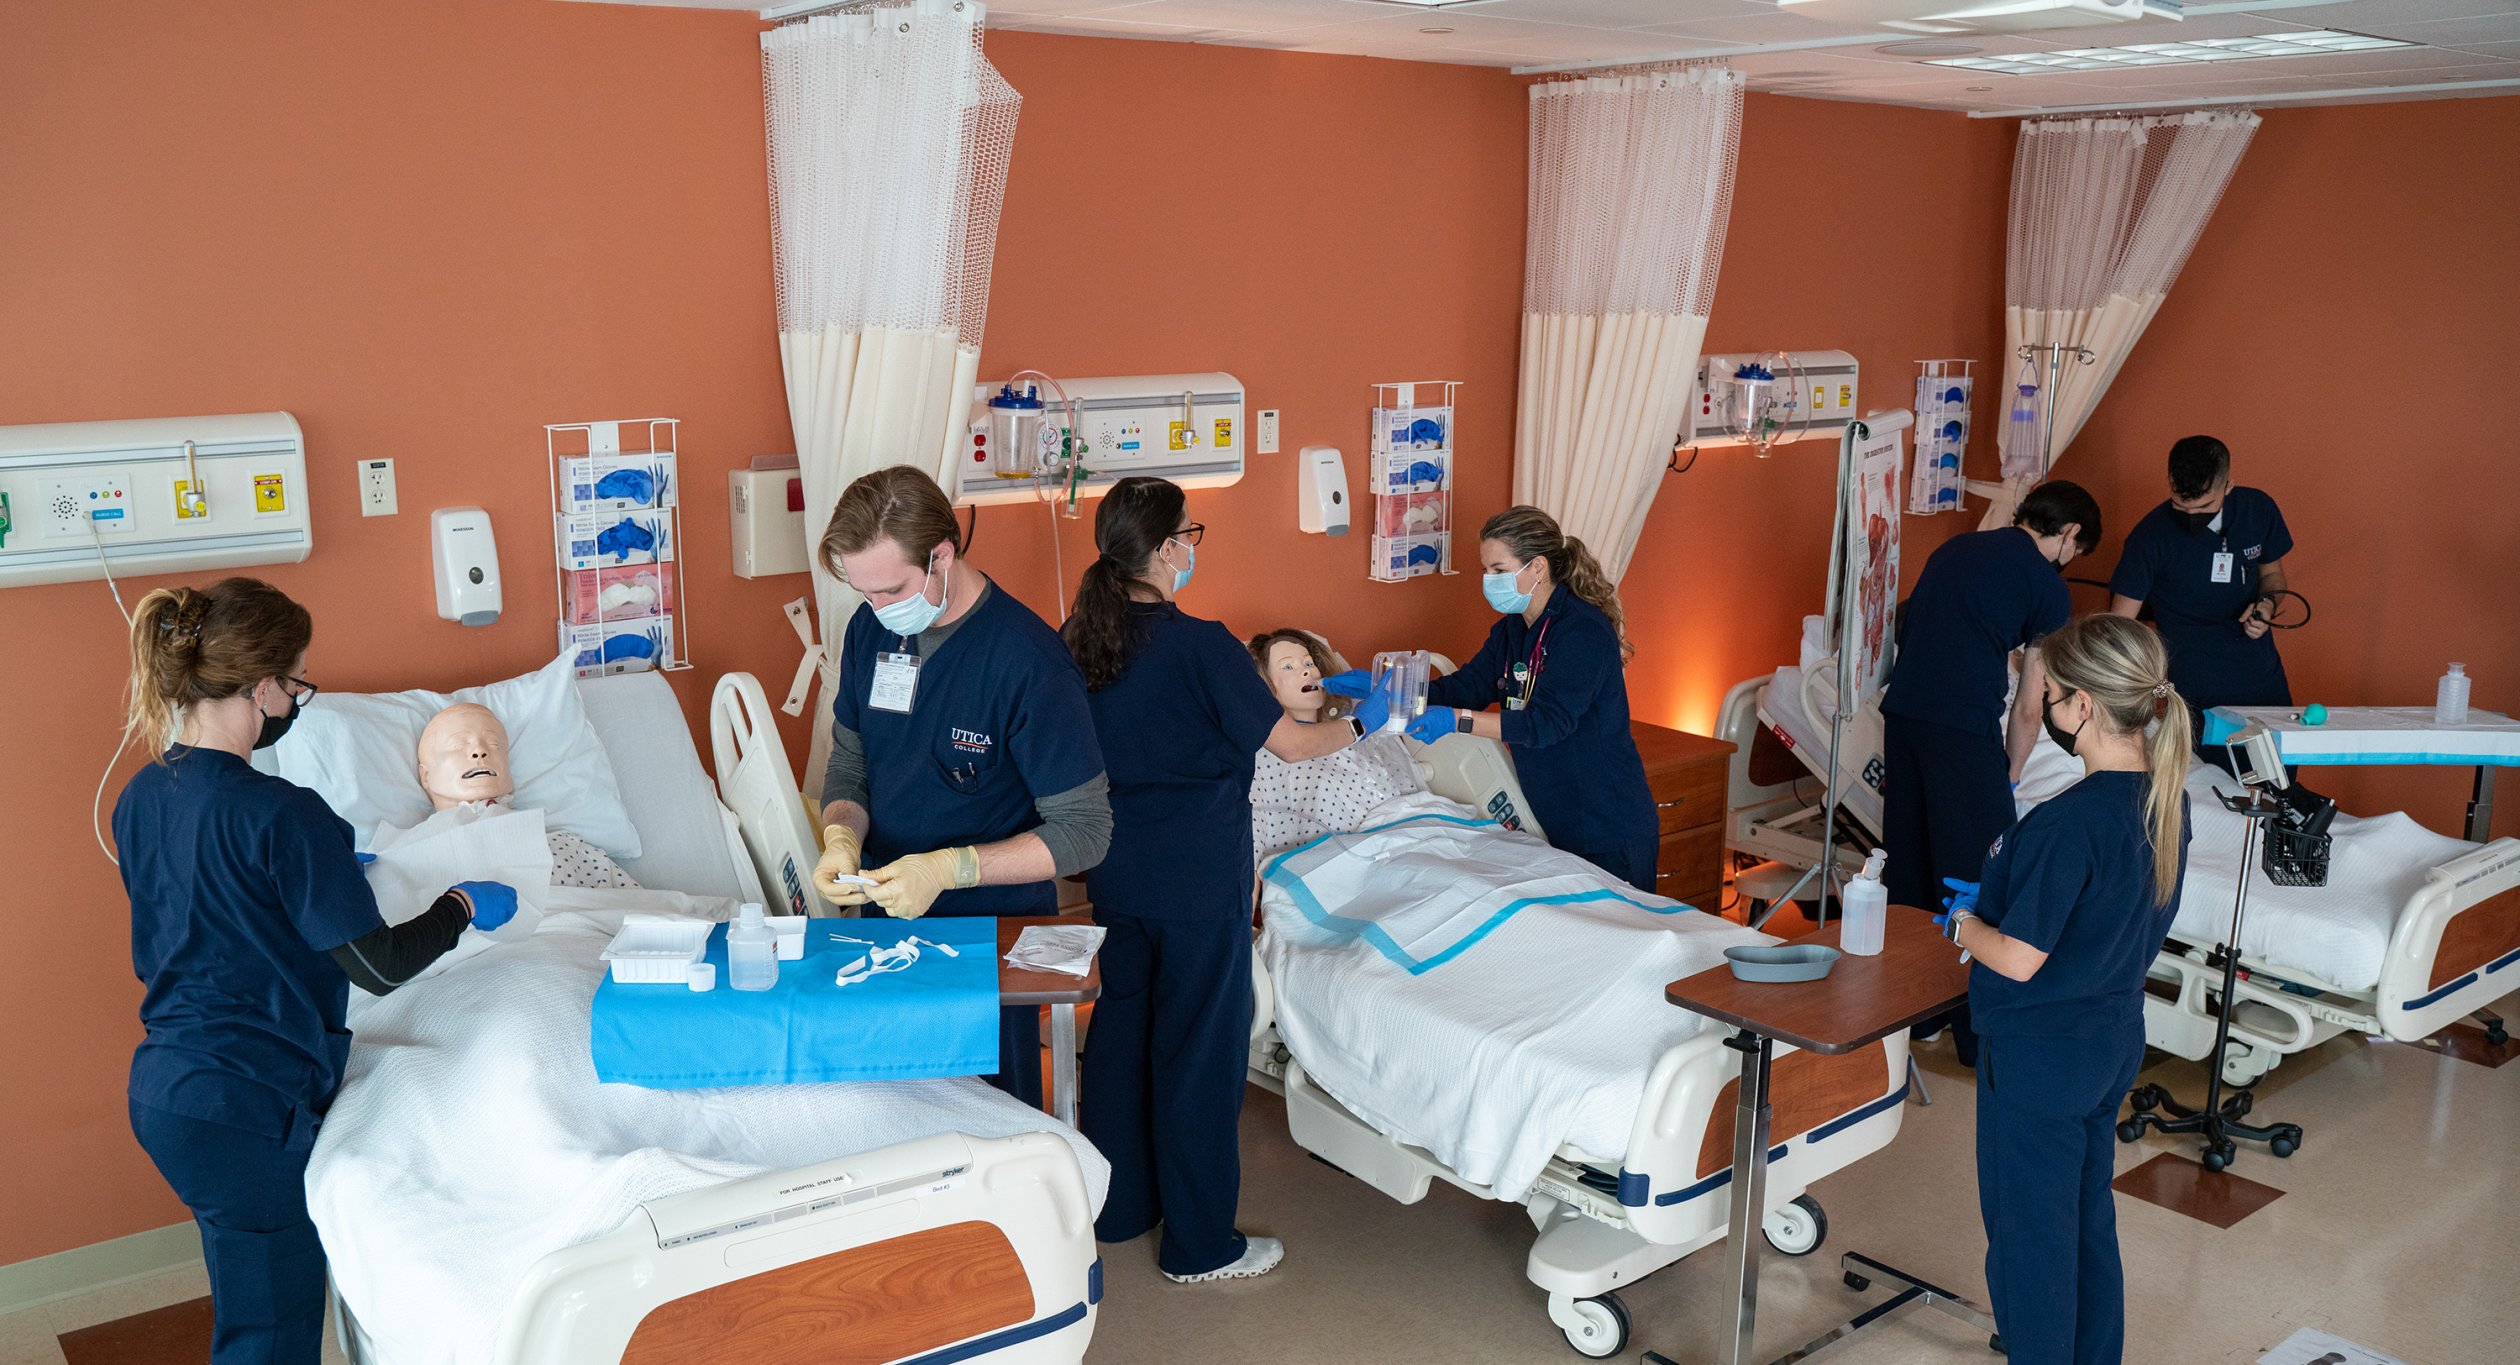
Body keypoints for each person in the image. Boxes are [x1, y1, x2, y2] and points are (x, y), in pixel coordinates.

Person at [115, 578, 514, 1365]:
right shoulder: (282, 813)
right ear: (260, 686)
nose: (297, 697)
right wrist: (462, 903)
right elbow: (381, 964)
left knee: (250, 1308)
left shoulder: (141, 794)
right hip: (246, 1105)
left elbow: (207, 910)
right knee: (269, 1338)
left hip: (169, 1091)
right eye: (295, 682)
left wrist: (323, 871)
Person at [1062, 478, 1397, 1283]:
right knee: (1199, 1054)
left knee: (1120, 1037)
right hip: (1196, 878)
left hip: (1117, 869)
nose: (1192, 547)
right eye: (1191, 533)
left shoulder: (1077, 637)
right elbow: (1292, 747)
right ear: (1170, 546)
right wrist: (1364, 720)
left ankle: (1119, 1208)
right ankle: (1201, 1244)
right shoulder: (1200, 643)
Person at [810, 466, 1112, 1110]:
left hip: (987, 943)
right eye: (865, 594)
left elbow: (1085, 834)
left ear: (942, 556)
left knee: (987, 1126)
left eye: (891, 590)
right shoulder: (871, 631)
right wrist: (841, 834)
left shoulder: (1028, 663)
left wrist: (950, 868)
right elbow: (852, 764)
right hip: (883, 927)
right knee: (893, 1116)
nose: (879, 610)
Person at [1937, 613, 2192, 1365]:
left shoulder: (2065, 824)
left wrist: (1963, 923)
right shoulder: (2163, 804)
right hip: (2109, 1042)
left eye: (2047, 695)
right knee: (2084, 1220)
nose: (2042, 710)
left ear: (2081, 706)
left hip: (2040, 1059)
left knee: (2029, 1240)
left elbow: (2016, 959)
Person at [1878, 479, 2101, 1059]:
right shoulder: (2046, 588)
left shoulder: (1954, 549)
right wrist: (2010, 773)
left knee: (1911, 867)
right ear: (2070, 533)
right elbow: (2029, 705)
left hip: (1902, 719)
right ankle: (1977, 1040)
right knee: (1986, 875)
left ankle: (1912, 1019)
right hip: (1962, 731)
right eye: (2075, 551)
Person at [1328, 506, 1656, 888]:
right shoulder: (1511, 632)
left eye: (1499, 571)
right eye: (1485, 570)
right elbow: (1461, 689)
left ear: (1537, 568)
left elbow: (1546, 724)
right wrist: (1384, 686)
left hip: (1607, 824)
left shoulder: (1583, 631)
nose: (1488, 580)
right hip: (1553, 818)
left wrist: (1457, 722)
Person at [2108, 436, 2297, 751]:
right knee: (2216, 779)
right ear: (2170, 482)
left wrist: (2266, 606)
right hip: (2195, 681)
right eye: (2180, 504)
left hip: (2261, 673)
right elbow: (2119, 626)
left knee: (2278, 775)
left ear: (2228, 486)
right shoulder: (2149, 538)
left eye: (2205, 507)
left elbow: (2273, 574)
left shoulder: (2257, 509)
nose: (2192, 516)